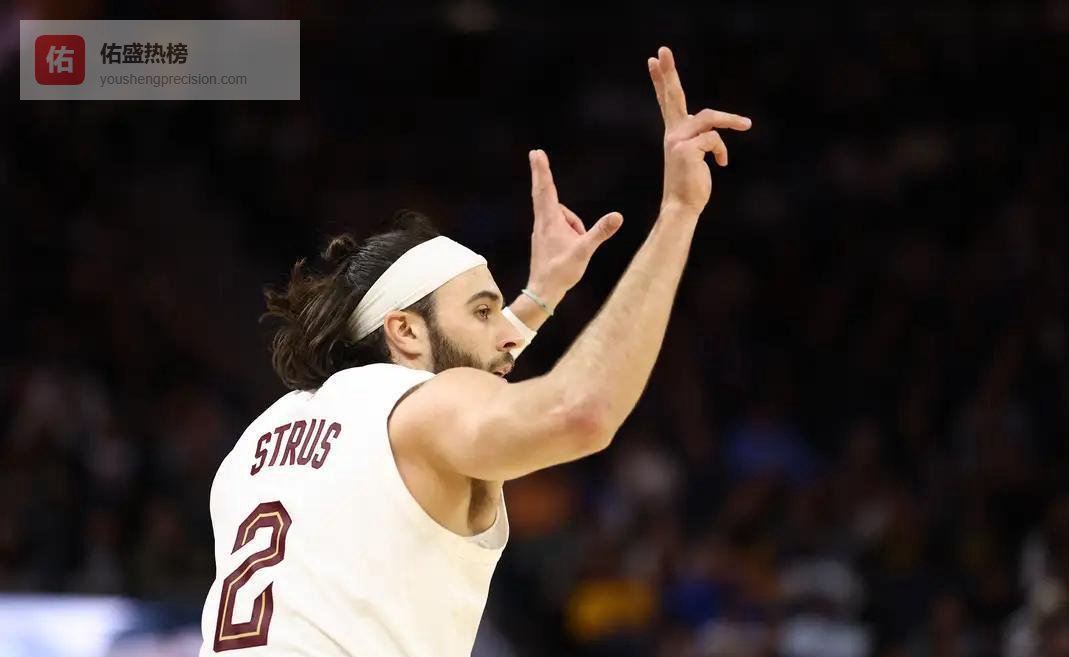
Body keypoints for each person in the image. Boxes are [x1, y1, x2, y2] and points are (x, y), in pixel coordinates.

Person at [197, 46, 751, 657]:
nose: (507, 332)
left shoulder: (256, 442)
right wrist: (677, 213)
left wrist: (539, 296)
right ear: (404, 331)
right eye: (483, 311)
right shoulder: (424, 406)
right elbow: (581, 411)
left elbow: (441, 381)